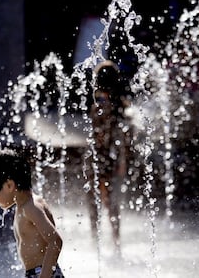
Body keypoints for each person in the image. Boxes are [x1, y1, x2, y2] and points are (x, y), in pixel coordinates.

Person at [0, 148, 64, 278]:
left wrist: (44, 276)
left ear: (9, 185)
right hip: (36, 272)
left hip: (42, 273)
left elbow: (55, 240)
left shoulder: (31, 207)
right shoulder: (24, 206)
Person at [86, 60, 129, 255]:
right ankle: (117, 244)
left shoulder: (99, 100)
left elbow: (99, 132)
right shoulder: (118, 102)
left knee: (94, 202)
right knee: (112, 203)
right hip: (111, 157)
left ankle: (97, 243)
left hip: (97, 156)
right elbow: (122, 136)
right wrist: (122, 160)